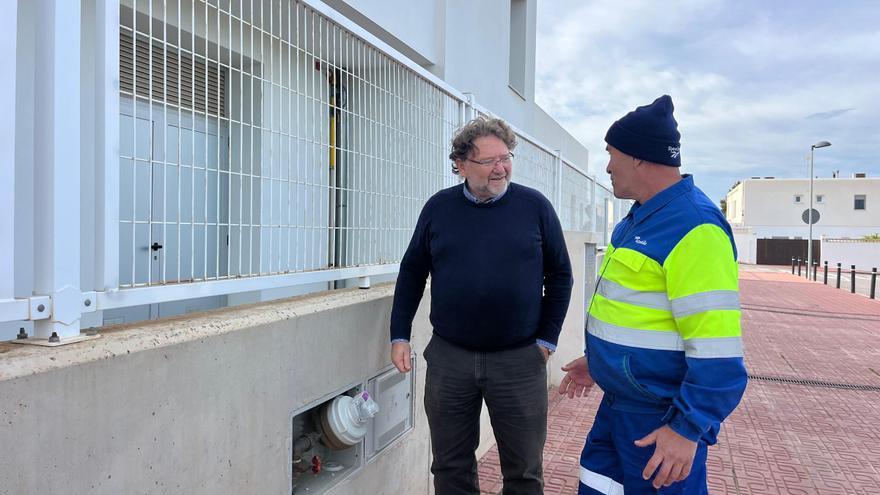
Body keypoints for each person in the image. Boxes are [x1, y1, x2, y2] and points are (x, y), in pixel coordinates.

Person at [559, 95, 747, 494]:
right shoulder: (640, 217)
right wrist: (600, 363)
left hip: (660, 422)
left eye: (611, 154)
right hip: (617, 407)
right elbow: (639, 315)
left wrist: (687, 429)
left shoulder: (695, 228)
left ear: (639, 157)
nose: (607, 166)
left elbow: (718, 351)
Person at [389, 116, 573, 494]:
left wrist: (547, 341)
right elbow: (411, 272)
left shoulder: (534, 207)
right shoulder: (438, 209)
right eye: (489, 161)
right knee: (450, 466)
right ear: (461, 164)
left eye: (505, 157)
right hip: (450, 359)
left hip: (520, 360)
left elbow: (560, 275)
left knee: (524, 471)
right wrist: (399, 335)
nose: (500, 168)